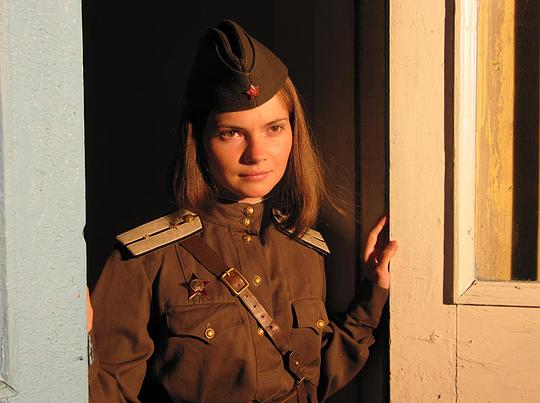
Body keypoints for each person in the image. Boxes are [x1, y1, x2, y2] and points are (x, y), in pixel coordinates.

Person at [87, 20, 398, 403]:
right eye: (231, 133)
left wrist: (373, 292)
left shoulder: (305, 250)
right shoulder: (145, 260)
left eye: (274, 128)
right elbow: (107, 393)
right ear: (199, 141)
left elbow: (314, 379)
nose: (257, 154)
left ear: (294, 132)